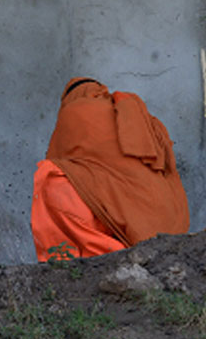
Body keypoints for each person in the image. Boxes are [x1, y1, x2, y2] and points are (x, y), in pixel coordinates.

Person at [31, 77, 189, 262]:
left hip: (123, 220)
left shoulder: (74, 110)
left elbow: (57, 159)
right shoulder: (134, 113)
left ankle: (102, 258)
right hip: (166, 221)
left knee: (51, 177)